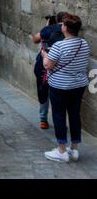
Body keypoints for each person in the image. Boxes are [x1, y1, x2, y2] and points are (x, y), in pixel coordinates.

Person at [42, 14, 90, 162]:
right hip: (79, 85)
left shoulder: (59, 46)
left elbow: (48, 65)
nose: (61, 26)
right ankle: (74, 149)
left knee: (59, 115)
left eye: (63, 25)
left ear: (66, 28)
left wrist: (44, 55)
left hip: (60, 86)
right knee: (75, 114)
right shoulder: (84, 44)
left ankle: (61, 151)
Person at [32, 12, 67, 129]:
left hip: (44, 66)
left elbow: (35, 39)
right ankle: (60, 121)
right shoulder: (71, 31)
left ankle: (43, 120)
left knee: (43, 91)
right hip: (62, 66)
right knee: (60, 94)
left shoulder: (48, 29)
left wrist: (46, 26)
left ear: (56, 20)